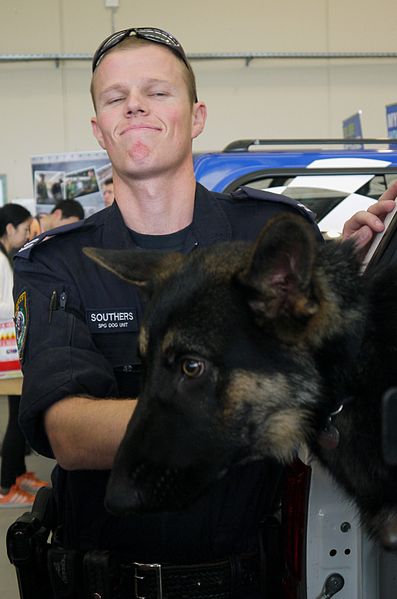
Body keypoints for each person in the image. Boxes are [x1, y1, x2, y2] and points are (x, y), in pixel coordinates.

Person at [11, 27, 397, 598]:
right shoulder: (59, 262)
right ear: (100, 129)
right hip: (103, 582)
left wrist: (343, 275)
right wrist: (232, 403)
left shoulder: (269, 231)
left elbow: (333, 366)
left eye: (157, 92)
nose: (135, 104)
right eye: (115, 98)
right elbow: (67, 432)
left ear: (197, 117)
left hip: (249, 579)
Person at [0, 204, 48, 507]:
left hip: (10, 348)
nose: (26, 235)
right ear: (9, 229)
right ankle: (6, 487)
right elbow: (5, 306)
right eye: (24, 229)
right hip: (6, 350)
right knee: (17, 416)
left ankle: (18, 475)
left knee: (19, 409)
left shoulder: (6, 258)